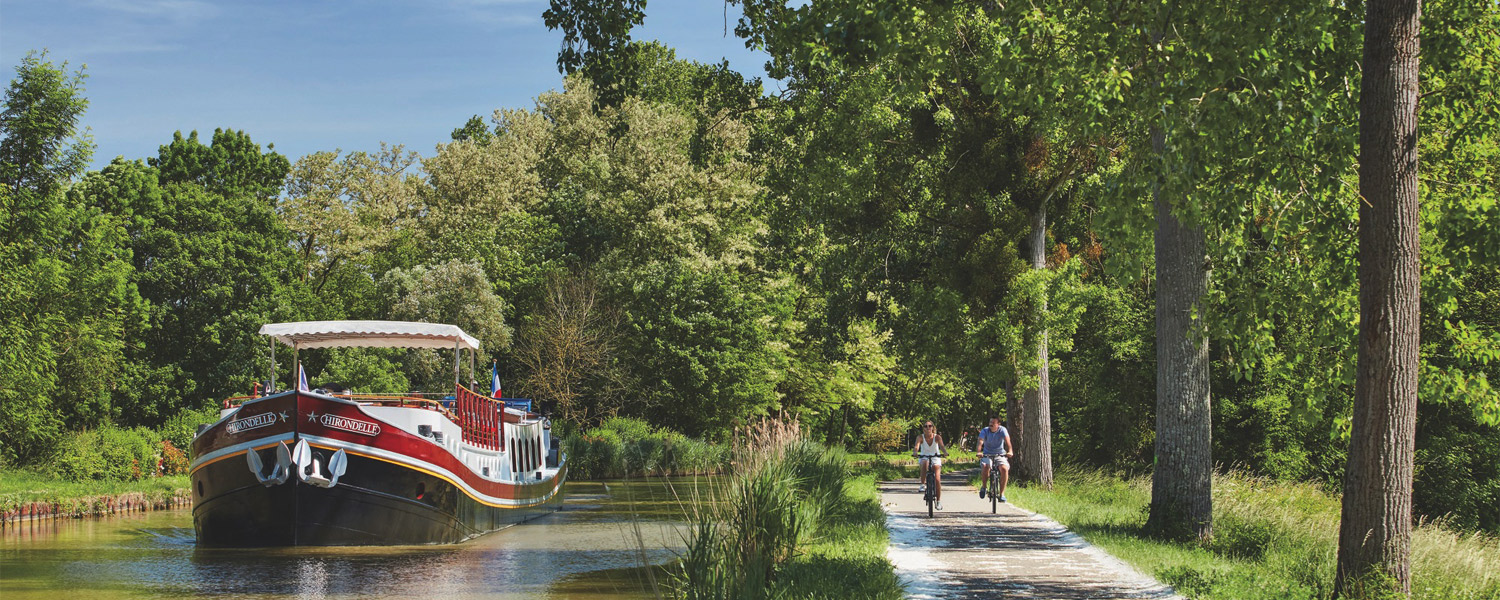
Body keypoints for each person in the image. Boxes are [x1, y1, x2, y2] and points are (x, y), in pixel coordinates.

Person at [912, 421, 947, 510]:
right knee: (925, 463)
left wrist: (945, 452)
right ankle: (923, 484)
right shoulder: (920, 437)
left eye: (930, 426)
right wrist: (915, 452)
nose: (928, 428)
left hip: (935, 457)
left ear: (933, 428)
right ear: (923, 428)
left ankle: (938, 501)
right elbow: (916, 446)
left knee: (937, 479)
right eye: (925, 426)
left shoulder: (937, 437)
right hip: (924, 457)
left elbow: (942, 446)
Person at [977, 415, 1013, 501]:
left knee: (1004, 469)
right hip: (987, 454)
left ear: (998, 424)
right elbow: (980, 441)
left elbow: (1008, 441)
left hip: (1000, 454)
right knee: (986, 466)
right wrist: (979, 451)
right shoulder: (985, 430)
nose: (991, 424)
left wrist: (1010, 451)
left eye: (993, 423)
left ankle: (1002, 494)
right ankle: (984, 487)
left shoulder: (1002, 430)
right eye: (990, 422)